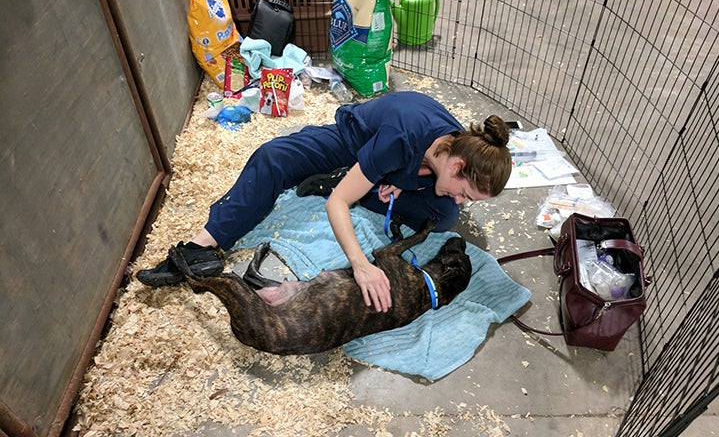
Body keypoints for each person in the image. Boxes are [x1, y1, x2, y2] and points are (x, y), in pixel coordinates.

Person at [137, 91, 512, 313]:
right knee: (273, 156)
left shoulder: (456, 147)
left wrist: (401, 181)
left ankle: (364, 183)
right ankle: (202, 246)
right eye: (465, 191)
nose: (463, 201)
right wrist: (361, 265)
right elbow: (336, 205)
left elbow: (435, 181)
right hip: (351, 143)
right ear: (458, 165)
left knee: (444, 215)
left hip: (389, 164)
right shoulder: (401, 138)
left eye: (470, 200)